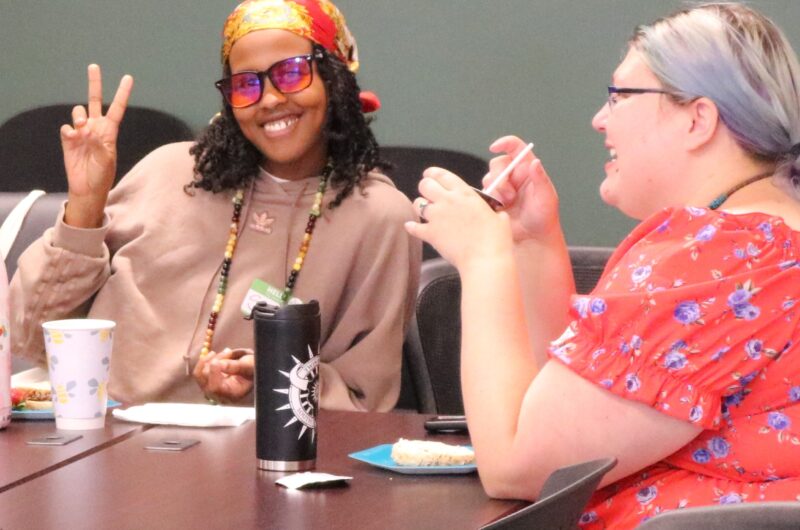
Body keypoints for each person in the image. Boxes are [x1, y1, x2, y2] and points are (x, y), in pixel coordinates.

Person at [405, 3, 800, 528]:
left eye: (620, 96)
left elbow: (520, 469)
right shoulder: (761, 240)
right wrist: (534, 241)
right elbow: (569, 408)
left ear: (697, 119)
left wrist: (484, 256)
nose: (599, 118)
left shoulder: (718, 256)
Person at [11, 0, 421, 411]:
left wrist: (270, 375)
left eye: (292, 73)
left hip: (247, 457)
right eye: (246, 84)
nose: (270, 99)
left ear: (335, 78)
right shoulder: (170, 171)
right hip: (99, 431)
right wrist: (85, 204)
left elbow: (364, 402)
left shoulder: (379, 217)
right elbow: (31, 335)